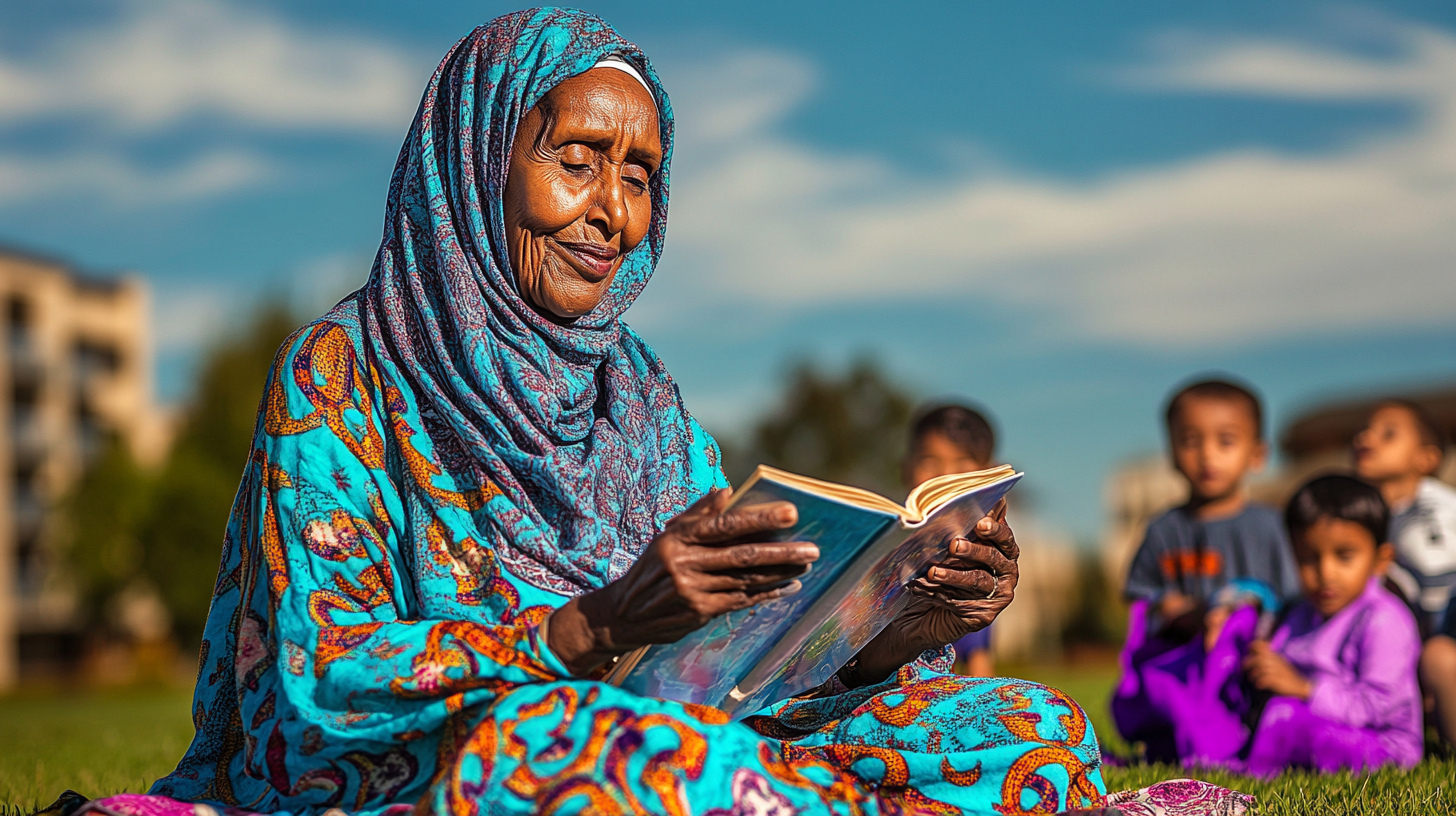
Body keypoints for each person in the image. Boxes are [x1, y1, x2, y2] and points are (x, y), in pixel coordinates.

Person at [81, 11, 1113, 815]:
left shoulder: (643, 399)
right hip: (449, 758)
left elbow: (744, 666)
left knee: (1027, 726)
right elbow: (322, 672)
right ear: (480, 162)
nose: (613, 215)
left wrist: (893, 624)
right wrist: (596, 623)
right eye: (575, 160)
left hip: (684, 739)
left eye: (640, 177)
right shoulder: (346, 369)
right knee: (604, 761)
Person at [1135, 475, 1423, 776]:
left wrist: (1304, 689)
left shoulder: (1384, 620)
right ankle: (1170, 748)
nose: (1325, 573)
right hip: (1303, 722)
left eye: (1344, 556)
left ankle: (1244, 765)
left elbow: (1377, 706)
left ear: (1381, 559)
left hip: (1382, 746)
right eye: (1309, 559)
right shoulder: (1301, 613)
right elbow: (1271, 649)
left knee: (1286, 718)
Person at [1113, 378, 1300, 761]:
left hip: (1253, 663)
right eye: (1190, 441)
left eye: (1225, 441)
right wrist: (1172, 608)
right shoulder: (1165, 528)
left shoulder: (1271, 526)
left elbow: (1293, 601)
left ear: (1257, 455)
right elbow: (1139, 596)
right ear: (1171, 453)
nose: (1207, 455)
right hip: (1185, 666)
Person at [1353, 399, 1456, 748]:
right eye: (1365, 430)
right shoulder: (1378, 517)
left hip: (1444, 631)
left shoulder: (1434, 510)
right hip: (1418, 640)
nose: (1366, 437)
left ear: (1425, 459)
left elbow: (1439, 579)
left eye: (1388, 433)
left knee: (1440, 659)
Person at [904, 403, 1000, 677]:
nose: (944, 479)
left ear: (989, 475)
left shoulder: (975, 553)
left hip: (943, 690)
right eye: (929, 463)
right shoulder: (891, 541)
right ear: (905, 468)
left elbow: (979, 661)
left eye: (963, 466)